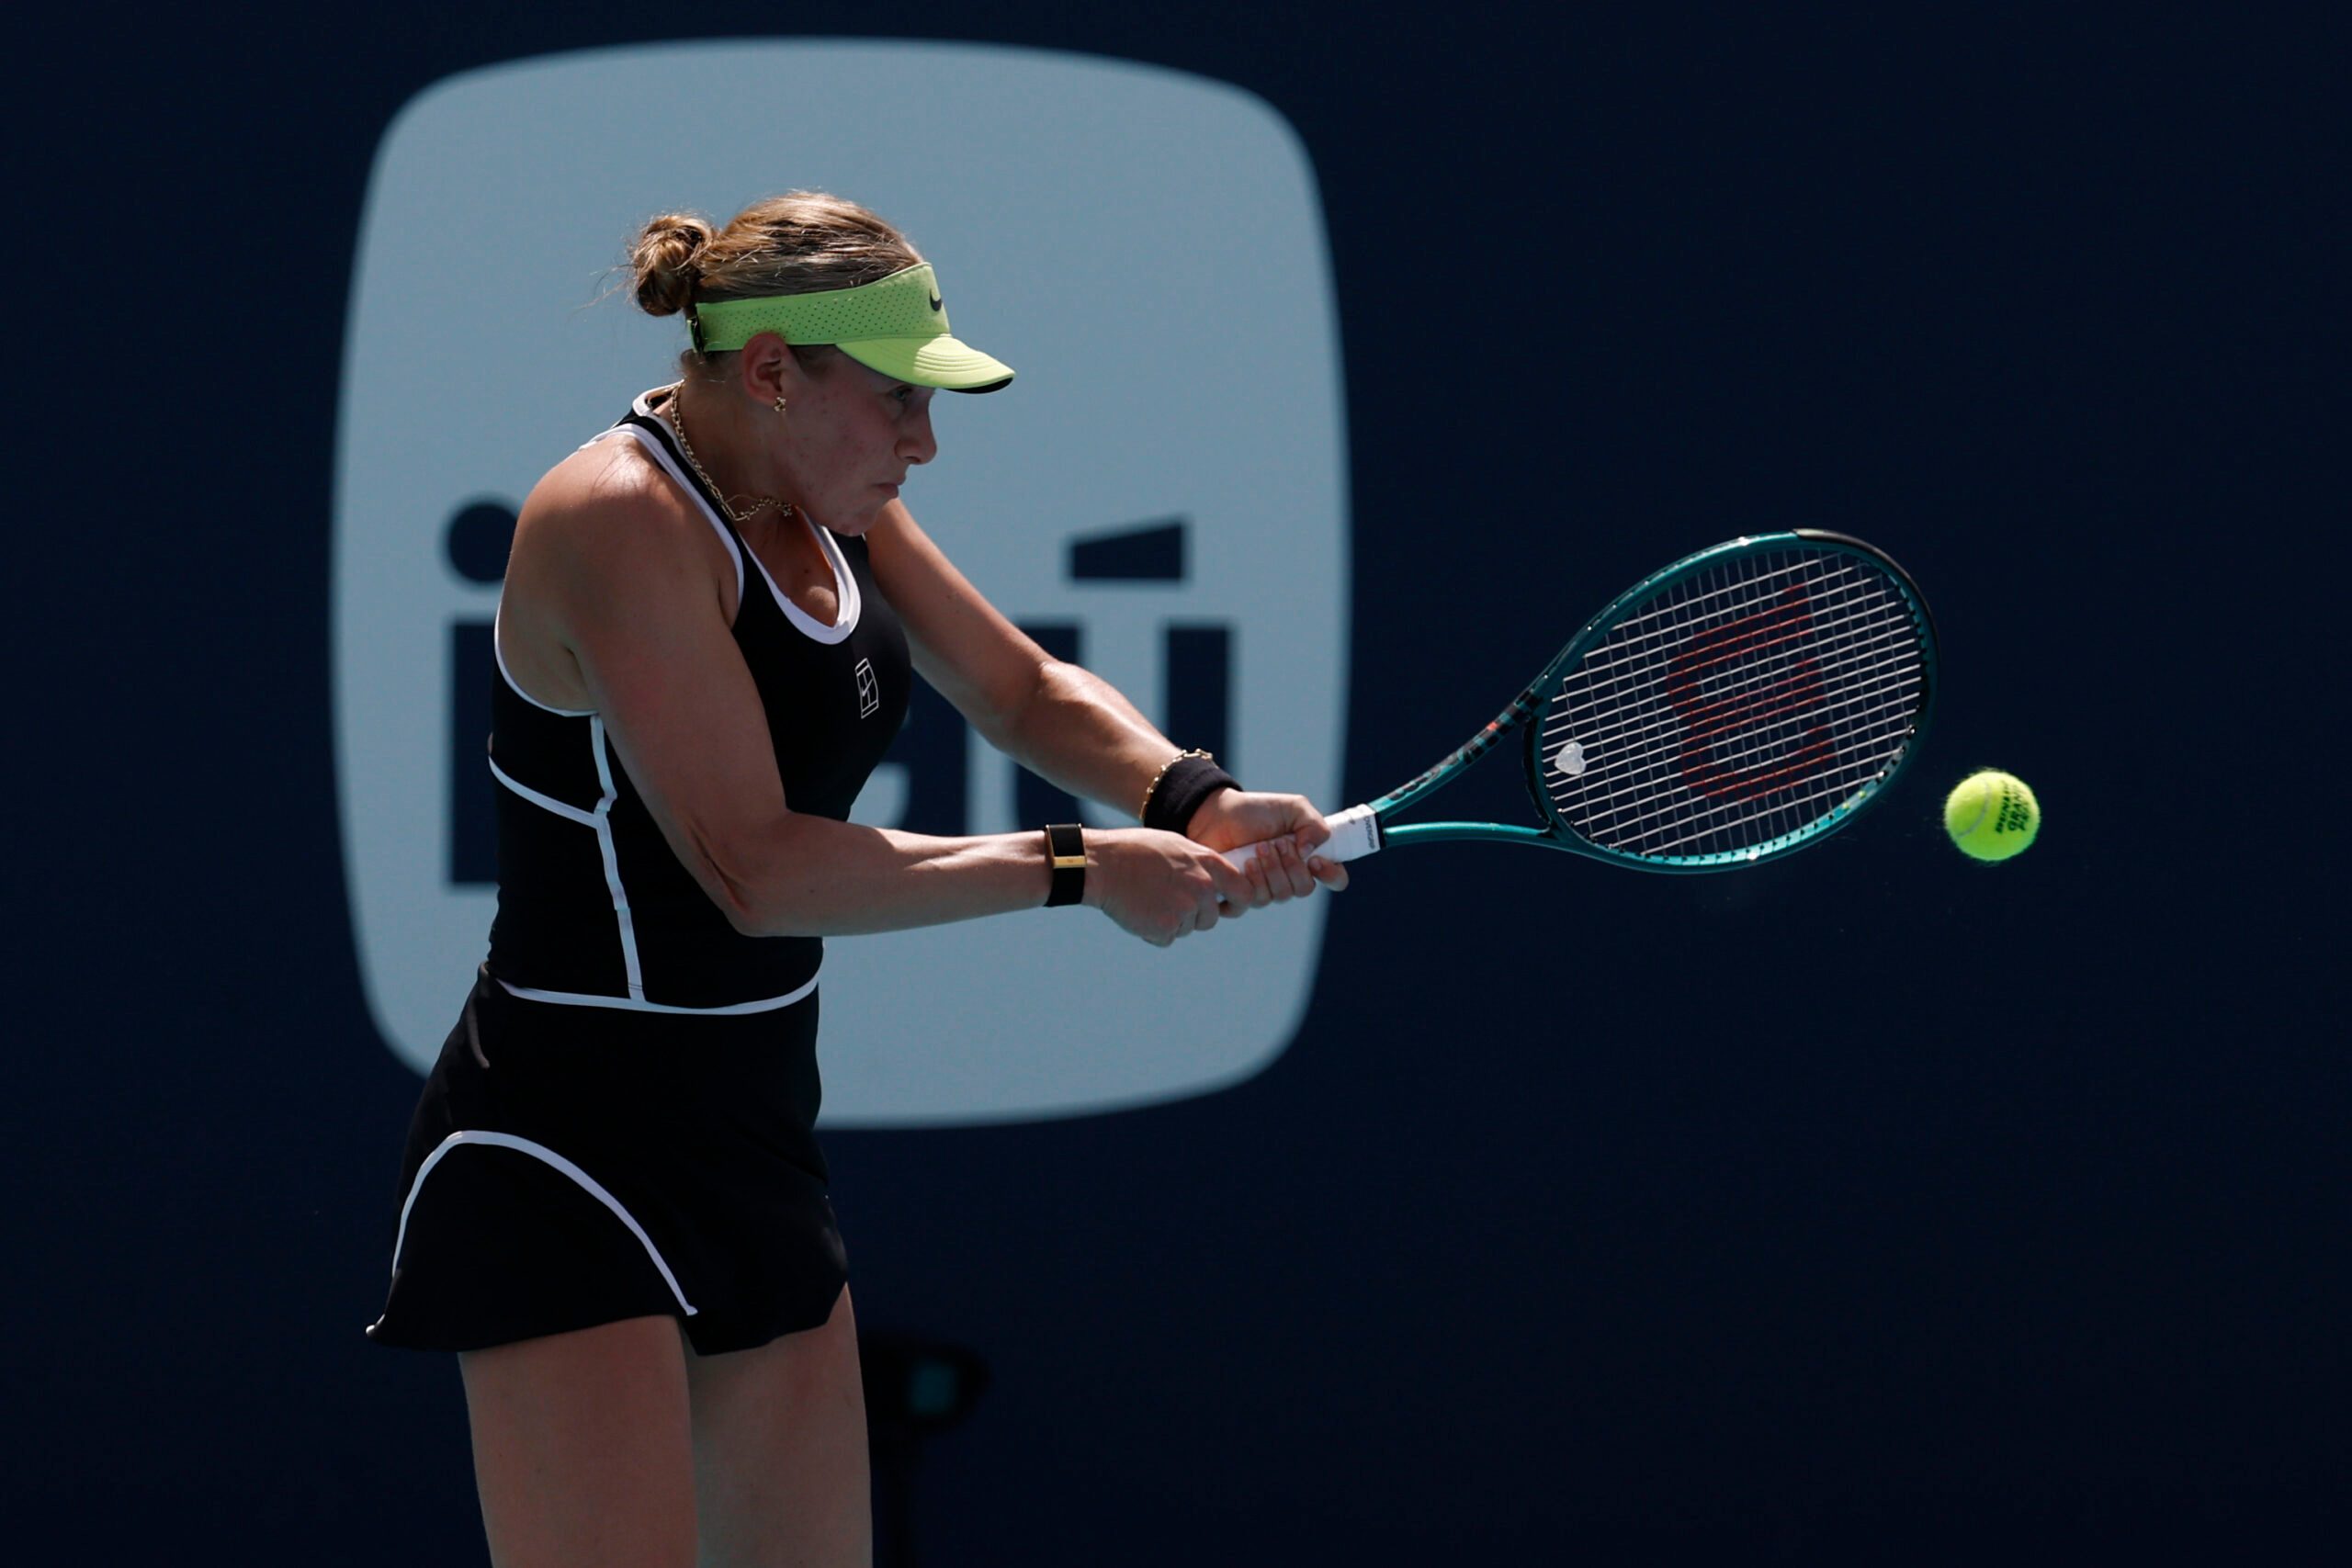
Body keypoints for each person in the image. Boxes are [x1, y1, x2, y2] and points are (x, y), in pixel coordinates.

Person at [365, 190, 1347, 1568]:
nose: (924, 442)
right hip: (559, 1146)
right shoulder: (615, 518)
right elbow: (754, 871)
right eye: (896, 401)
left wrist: (1195, 797)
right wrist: (1082, 867)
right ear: (772, 373)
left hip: (753, 1132)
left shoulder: (818, 498)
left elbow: (1017, 685)